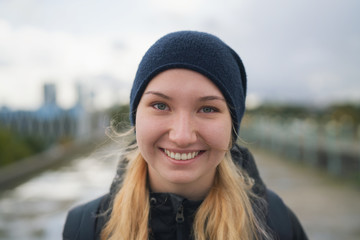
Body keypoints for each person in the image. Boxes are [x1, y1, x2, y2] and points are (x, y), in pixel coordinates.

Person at [63, 31, 308, 240]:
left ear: (232, 128)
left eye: (208, 109)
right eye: (160, 105)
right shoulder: (84, 227)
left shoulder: (276, 224)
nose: (181, 136)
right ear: (136, 117)